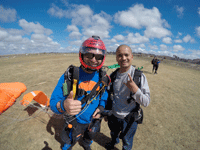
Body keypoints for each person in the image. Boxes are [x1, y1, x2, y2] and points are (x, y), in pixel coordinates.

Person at [50, 36, 109, 150]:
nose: (93, 60)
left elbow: (104, 94)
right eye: (89, 55)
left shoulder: (103, 77)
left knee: (90, 135)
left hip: (93, 119)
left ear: (103, 58)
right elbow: (53, 101)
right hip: (74, 120)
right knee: (70, 139)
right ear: (81, 55)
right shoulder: (70, 76)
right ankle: (68, 145)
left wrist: (101, 107)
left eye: (98, 56)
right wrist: (63, 105)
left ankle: (86, 144)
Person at [105, 45, 150, 150]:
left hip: (130, 118)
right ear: (116, 58)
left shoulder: (139, 76)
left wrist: (135, 90)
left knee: (127, 141)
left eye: (126, 55)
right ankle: (114, 142)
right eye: (120, 55)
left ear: (132, 57)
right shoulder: (113, 75)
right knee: (113, 134)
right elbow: (109, 95)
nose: (123, 58)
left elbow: (146, 102)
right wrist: (107, 113)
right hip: (114, 116)